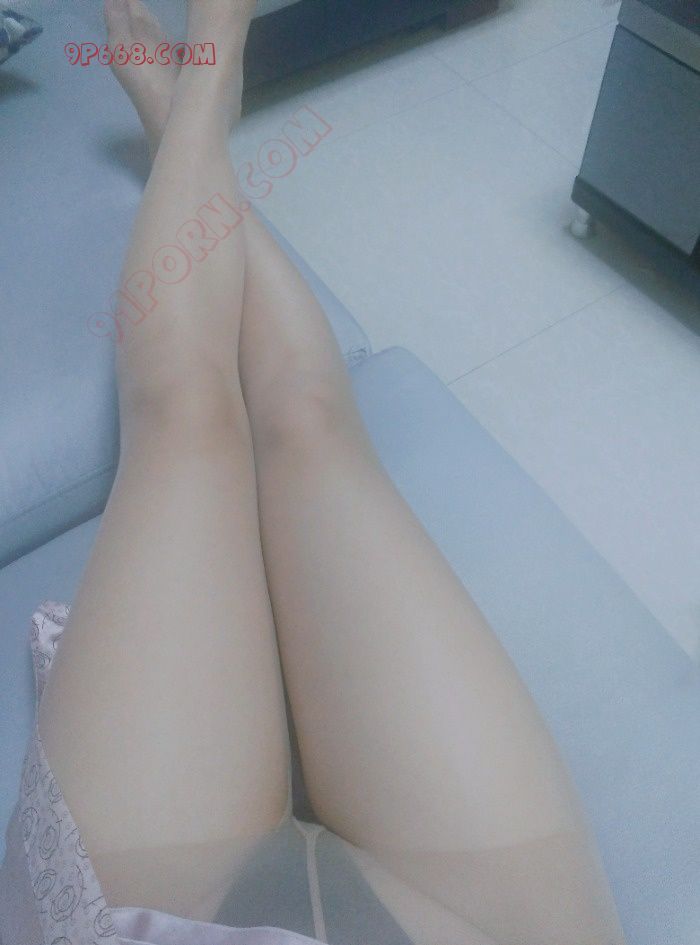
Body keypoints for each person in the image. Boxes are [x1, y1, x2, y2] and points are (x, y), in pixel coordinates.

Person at [0, 2, 627, 943]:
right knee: (307, 418)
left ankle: (190, 109)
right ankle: (201, 89)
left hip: (147, 919)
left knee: (185, 419)